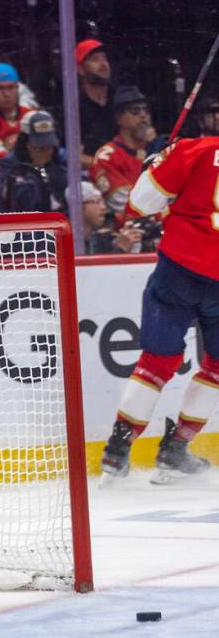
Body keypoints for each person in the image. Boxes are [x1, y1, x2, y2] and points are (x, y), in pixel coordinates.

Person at [100, 137, 219, 485]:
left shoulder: (196, 148)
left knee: (157, 360)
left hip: (179, 267)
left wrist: (155, 168)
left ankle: (117, 449)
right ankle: (177, 447)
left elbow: (139, 203)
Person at [90, 86, 157, 217]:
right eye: (135, 111)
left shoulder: (156, 151)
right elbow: (127, 205)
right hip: (128, 231)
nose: (143, 115)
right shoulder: (107, 157)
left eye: (146, 111)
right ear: (119, 118)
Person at [0, 111, 66, 213]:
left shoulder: (57, 161)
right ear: (25, 143)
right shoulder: (10, 165)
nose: (46, 152)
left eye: (49, 146)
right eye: (40, 148)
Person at [75, 39, 114, 167]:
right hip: (90, 174)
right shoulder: (74, 106)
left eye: (104, 58)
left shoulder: (120, 97)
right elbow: (74, 156)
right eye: (95, 59)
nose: (103, 64)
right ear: (80, 69)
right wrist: (104, 165)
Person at [80, 180, 142, 255]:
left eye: (102, 201)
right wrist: (120, 248)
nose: (103, 207)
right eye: (96, 202)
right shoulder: (67, 243)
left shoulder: (99, 239)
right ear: (78, 206)